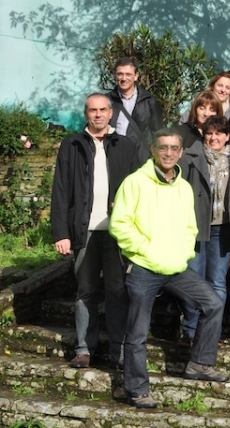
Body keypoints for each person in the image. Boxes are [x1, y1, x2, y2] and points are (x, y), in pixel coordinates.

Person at [110, 129, 228, 409]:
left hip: (175, 268)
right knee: (137, 333)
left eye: (174, 148)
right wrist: (145, 250)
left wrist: (184, 252)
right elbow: (120, 224)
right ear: (153, 150)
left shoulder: (184, 187)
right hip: (143, 267)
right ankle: (137, 389)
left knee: (213, 303)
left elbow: (190, 226)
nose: (168, 153)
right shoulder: (135, 182)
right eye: (163, 148)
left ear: (181, 152)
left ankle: (199, 363)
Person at [51, 93, 138, 369]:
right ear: (86, 113)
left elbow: (138, 191)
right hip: (83, 230)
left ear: (111, 113)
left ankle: (119, 351)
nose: (98, 114)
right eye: (92, 110)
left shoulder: (126, 146)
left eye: (102, 110)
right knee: (85, 290)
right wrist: (60, 233)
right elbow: (61, 191)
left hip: (117, 232)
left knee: (117, 290)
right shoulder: (72, 145)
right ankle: (84, 348)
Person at [178, 116, 230, 344]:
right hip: (195, 227)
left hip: (224, 228)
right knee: (193, 279)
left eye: (219, 133)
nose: (214, 138)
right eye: (209, 133)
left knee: (217, 281)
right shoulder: (190, 157)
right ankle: (190, 330)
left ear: (227, 136)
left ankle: (210, 331)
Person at [107, 56, 164, 164]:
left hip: (141, 158)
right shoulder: (107, 100)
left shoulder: (149, 101)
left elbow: (157, 131)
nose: (124, 78)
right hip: (113, 157)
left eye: (128, 74)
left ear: (136, 76)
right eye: (120, 74)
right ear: (115, 75)